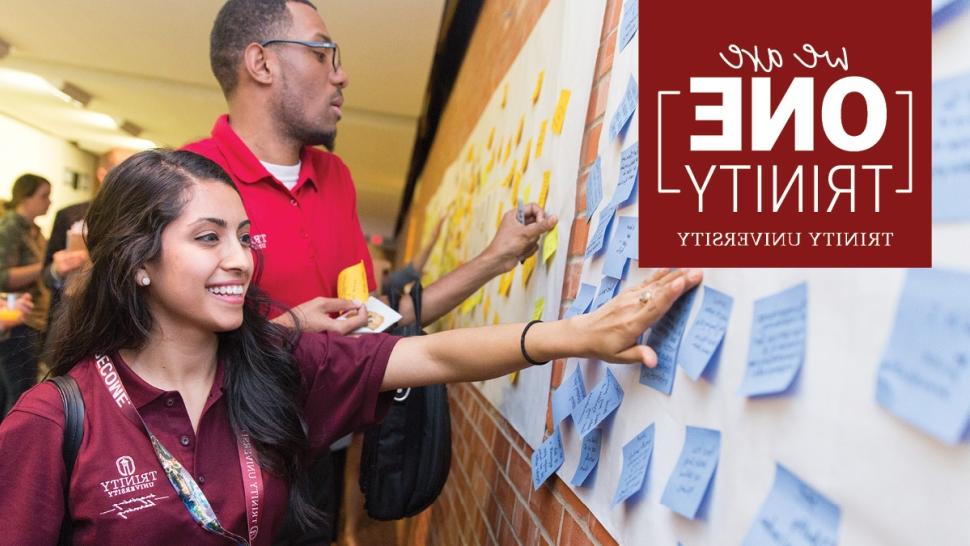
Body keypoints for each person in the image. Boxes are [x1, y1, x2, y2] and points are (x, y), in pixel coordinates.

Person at [0, 150, 702, 544]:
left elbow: (429, 356)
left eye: (245, 238)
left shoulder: (276, 366)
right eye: (208, 238)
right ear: (139, 261)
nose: (240, 260)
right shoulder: (54, 419)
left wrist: (577, 335)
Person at [184, 1, 557, 542]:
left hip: (316, 457)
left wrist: (497, 257)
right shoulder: (187, 179)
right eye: (322, 52)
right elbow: (149, 344)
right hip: (214, 463)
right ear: (261, 64)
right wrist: (289, 331)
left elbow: (375, 320)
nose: (341, 74)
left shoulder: (334, 177)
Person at [43, 148, 135, 330]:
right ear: (102, 174)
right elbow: (45, 275)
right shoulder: (70, 215)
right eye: (122, 170)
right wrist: (56, 270)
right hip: (70, 321)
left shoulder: (141, 220)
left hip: (121, 325)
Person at [0, 174, 52, 414]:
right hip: (13, 318)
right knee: (18, 393)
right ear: (25, 197)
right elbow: (3, 276)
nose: (49, 202)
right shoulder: (10, 227)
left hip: (31, 317)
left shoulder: (34, 230)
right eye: (43, 196)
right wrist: (45, 267)